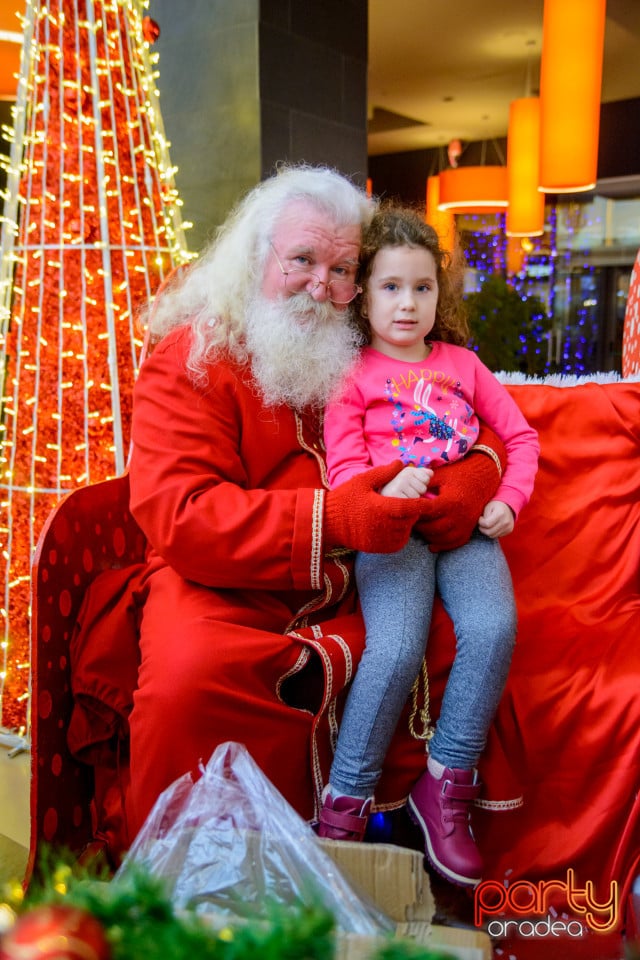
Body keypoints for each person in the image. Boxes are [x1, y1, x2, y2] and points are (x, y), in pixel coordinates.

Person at [125, 165, 509, 843]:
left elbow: (457, 406)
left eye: (342, 269)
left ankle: (392, 833)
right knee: (188, 680)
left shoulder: (366, 336)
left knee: (463, 636)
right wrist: (336, 518)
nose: (322, 287)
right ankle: (194, 881)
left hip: (355, 580)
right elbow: (181, 513)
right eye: (302, 260)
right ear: (255, 259)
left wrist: (479, 470)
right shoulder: (193, 355)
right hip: (223, 585)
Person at [320, 206, 540, 887]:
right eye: (391, 287)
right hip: (395, 535)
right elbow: (343, 473)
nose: (408, 303)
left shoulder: (463, 366)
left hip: (467, 530)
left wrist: (508, 501)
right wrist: (390, 481)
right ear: (364, 292)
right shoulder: (350, 376)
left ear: (439, 295)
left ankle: (446, 784)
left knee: (494, 625)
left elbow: (522, 438)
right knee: (395, 645)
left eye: (422, 288)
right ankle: (344, 802)